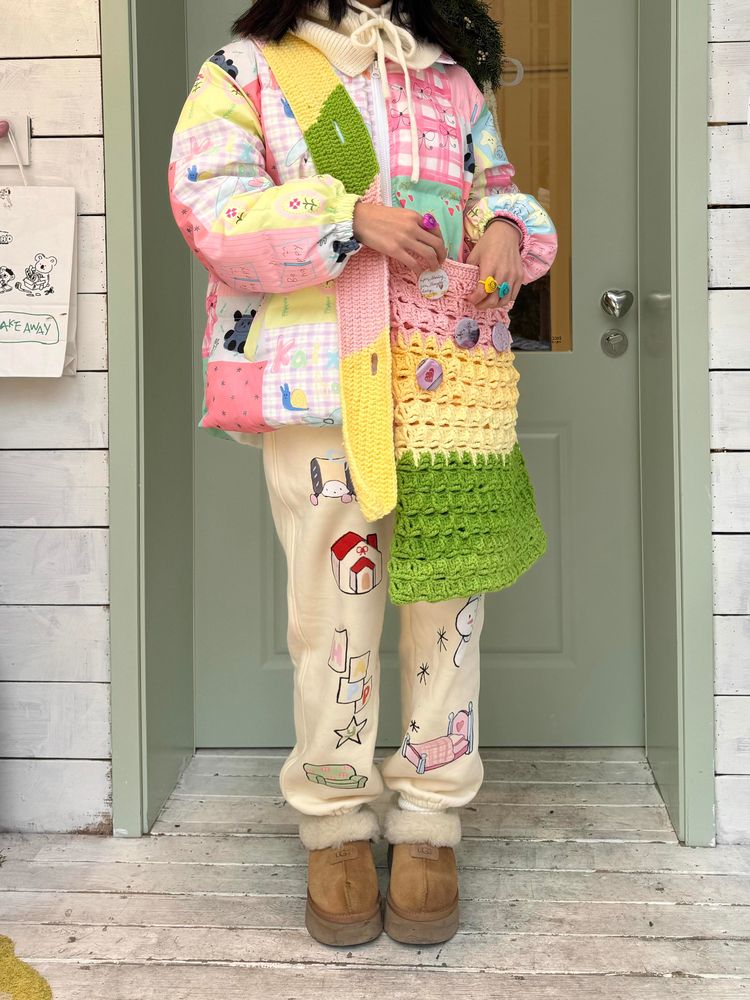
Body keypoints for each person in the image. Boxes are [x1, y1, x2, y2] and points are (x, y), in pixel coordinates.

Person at [168, 0, 557, 948]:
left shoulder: (449, 77)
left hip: (445, 386)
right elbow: (209, 206)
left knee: (449, 607)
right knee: (331, 617)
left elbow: (493, 183)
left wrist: (506, 227)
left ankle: (430, 816)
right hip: (321, 389)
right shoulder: (249, 69)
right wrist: (349, 218)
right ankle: (334, 822)